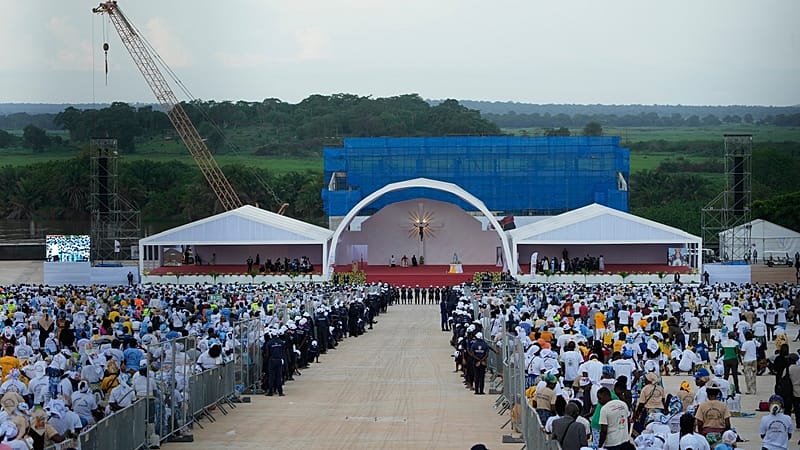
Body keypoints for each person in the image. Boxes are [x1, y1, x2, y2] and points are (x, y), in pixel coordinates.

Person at [694, 382, 731, 446]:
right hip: (720, 433)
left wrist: (701, 434)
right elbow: (727, 423)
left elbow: (699, 423)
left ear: (707, 394)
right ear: (717, 394)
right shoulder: (723, 405)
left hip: (706, 433)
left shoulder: (702, 406)